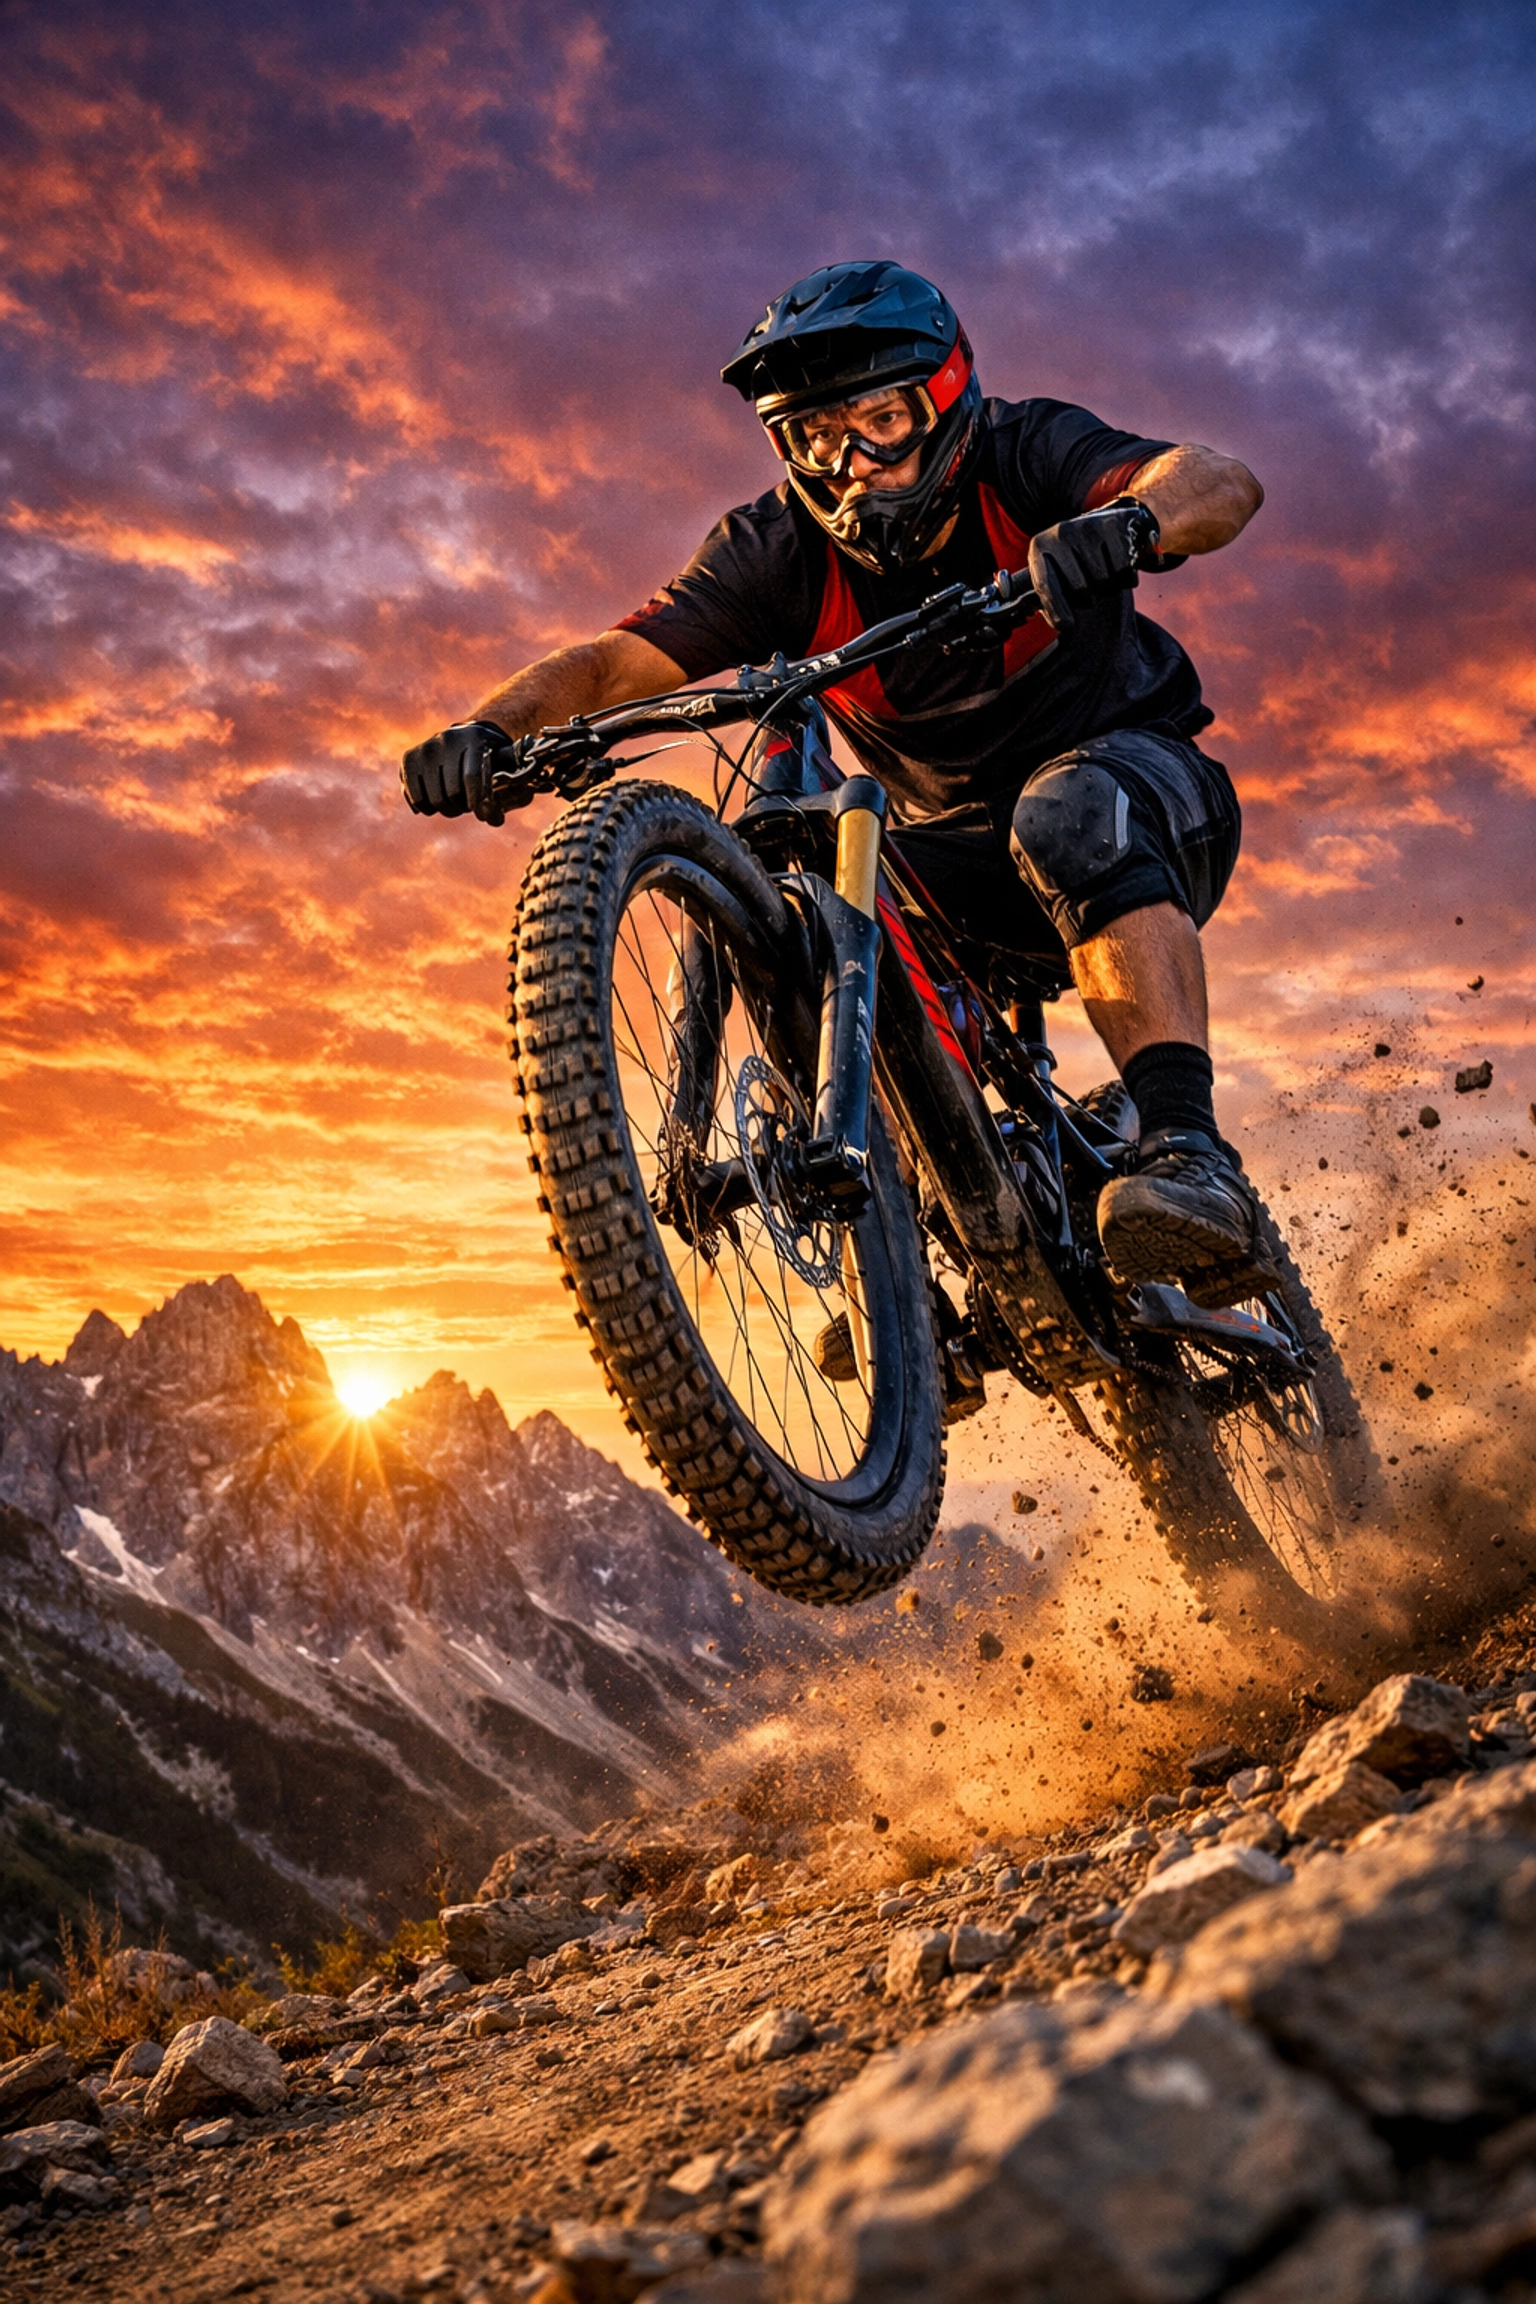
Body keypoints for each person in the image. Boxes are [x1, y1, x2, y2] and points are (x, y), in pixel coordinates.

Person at [401, 260, 1273, 1307]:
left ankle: (1186, 1151)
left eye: (881, 422)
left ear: (944, 400)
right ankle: (910, 1277)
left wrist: (1129, 524)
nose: (851, 461)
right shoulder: (778, 552)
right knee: (821, 920)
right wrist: (489, 727)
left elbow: (1215, 478)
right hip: (953, 858)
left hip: (1145, 799)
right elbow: (609, 665)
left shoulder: (1024, 452)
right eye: (817, 436)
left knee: (1068, 810)